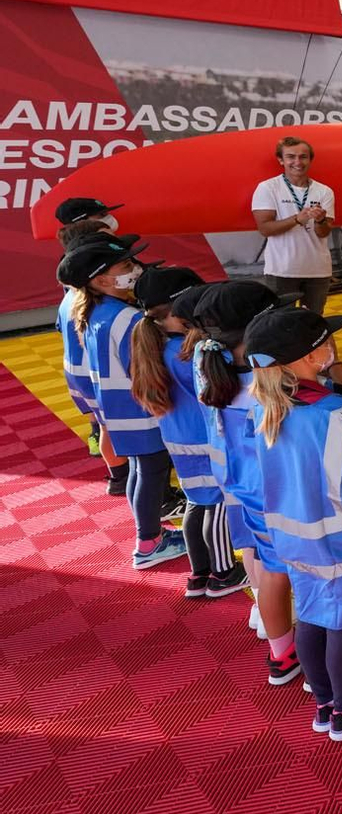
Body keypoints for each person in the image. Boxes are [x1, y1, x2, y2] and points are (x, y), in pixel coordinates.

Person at [247, 307, 342, 742]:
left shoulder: (263, 404)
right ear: (311, 356)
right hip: (338, 537)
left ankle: (324, 701)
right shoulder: (334, 411)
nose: (331, 347)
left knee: (314, 613)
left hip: (292, 536)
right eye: (324, 343)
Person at [194, 281, 304, 677]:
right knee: (293, 576)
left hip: (239, 488)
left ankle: (280, 646)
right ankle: (305, 651)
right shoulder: (269, 390)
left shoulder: (215, 373)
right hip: (278, 498)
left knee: (263, 563)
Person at [59, 233, 188, 571]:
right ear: (101, 280)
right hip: (139, 410)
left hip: (117, 409)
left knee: (139, 469)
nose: (135, 270)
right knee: (151, 470)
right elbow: (142, 367)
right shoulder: (127, 318)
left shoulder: (95, 309)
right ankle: (149, 542)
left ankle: (150, 534)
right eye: (127, 266)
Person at [128, 266, 246, 599]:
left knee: (197, 502)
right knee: (219, 503)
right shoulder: (191, 353)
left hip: (179, 440)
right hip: (206, 440)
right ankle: (223, 572)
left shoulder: (159, 346)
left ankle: (199, 573)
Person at [55, 218, 121, 479]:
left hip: (85, 373)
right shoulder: (104, 309)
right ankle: (123, 477)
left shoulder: (74, 294)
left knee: (106, 426)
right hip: (99, 376)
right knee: (112, 429)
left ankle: (120, 477)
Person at [252, 136, 336, 314]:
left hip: (317, 271)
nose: (298, 162)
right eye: (291, 157)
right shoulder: (268, 188)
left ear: (310, 160)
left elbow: (323, 233)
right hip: (282, 271)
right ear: (281, 160)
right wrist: (297, 219)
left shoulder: (324, 191)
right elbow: (265, 229)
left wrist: (320, 220)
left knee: (313, 323)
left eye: (303, 157)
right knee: (281, 324)